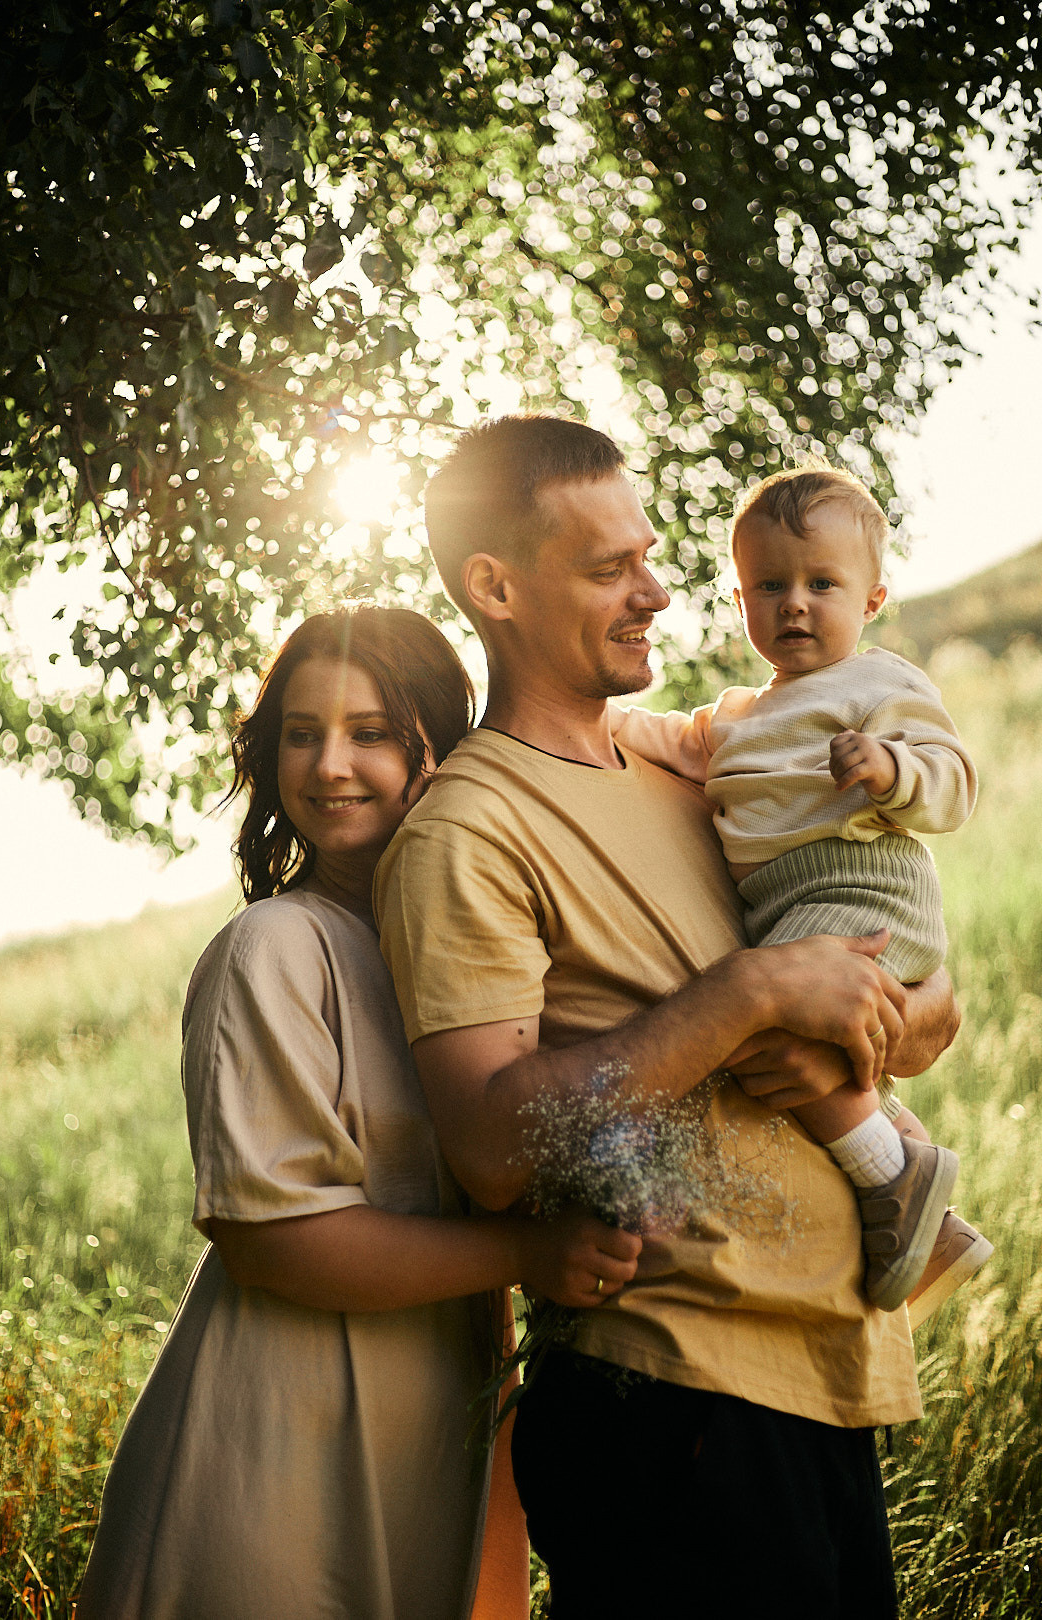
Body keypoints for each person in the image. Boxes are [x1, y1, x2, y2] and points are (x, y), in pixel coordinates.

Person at [374, 417, 961, 1619]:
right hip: (671, 1404)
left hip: (825, 1378)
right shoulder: (467, 829)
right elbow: (490, 1148)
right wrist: (749, 994)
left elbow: (879, 988)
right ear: (496, 586)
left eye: (649, 556)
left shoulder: (695, 771)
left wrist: (918, 1011)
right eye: (609, 569)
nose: (655, 589)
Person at [75, 605, 640, 1620]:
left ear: (441, 744)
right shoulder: (276, 950)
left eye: (371, 732)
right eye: (302, 733)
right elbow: (274, 1243)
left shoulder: (480, 960)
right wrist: (530, 1252)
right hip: (276, 1446)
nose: (330, 764)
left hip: (439, 1426)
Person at [611, 464, 991, 1323]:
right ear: (739, 599)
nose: (794, 604)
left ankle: (891, 1178)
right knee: (795, 1036)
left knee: (765, 1023)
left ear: (872, 598)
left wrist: (893, 768)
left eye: (822, 583)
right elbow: (668, 737)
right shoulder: (740, 714)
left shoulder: (878, 686)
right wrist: (601, 722)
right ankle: (924, 1195)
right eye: (768, 585)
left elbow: (956, 781)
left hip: (858, 881)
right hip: (789, 901)